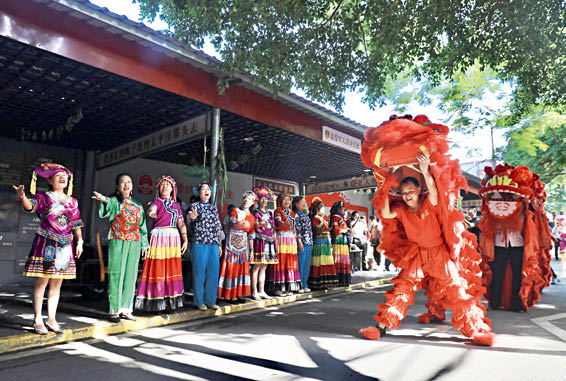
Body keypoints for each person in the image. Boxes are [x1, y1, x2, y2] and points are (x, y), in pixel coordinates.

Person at [360, 154, 493, 345]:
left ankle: (475, 330)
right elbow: (387, 213)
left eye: (410, 191)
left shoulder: (429, 203)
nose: (407, 195)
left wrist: (424, 170)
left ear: (418, 190)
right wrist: (385, 185)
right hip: (417, 254)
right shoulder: (402, 209)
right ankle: (381, 327)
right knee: (402, 289)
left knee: (456, 289)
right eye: (403, 192)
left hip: (439, 254)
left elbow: (433, 191)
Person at [14, 163, 83, 334]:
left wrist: (79, 240)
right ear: (50, 180)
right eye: (58, 176)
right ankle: (38, 319)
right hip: (47, 242)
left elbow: (76, 224)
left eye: (65, 176)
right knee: (42, 282)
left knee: (57, 284)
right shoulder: (43, 197)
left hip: (66, 244)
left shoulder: (72, 201)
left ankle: (51, 319)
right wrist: (22, 196)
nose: (62, 178)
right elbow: (30, 206)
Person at [93, 173, 149, 322]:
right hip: (118, 240)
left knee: (131, 276)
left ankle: (126, 309)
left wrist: (144, 244)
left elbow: (142, 225)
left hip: (135, 242)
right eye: (123, 182)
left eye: (129, 182)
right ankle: (114, 310)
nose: (126, 185)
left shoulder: (137, 205)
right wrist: (103, 199)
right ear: (118, 186)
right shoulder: (116, 201)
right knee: (117, 274)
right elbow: (110, 204)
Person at [135, 176, 187, 312]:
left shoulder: (176, 205)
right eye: (162, 185)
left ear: (173, 189)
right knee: (158, 268)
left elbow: (181, 223)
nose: (165, 187)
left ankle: (170, 302)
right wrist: (151, 213)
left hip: (173, 238)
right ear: (158, 188)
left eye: (168, 185)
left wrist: (185, 239)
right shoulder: (156, 202)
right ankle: (157, 302)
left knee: (171, 269)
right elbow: (151, 210)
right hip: (159, 237)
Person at [187, 181, 223, 311]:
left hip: (213, 244)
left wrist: (219, 244)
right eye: (203, 189)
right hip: (200, 243)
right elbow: (191, 217)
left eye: (208, 189)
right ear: (198, 192)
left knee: (213, 273)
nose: (206, 191)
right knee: (199, 273)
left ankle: (210, 300)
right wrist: (192, 216)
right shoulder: (194, 206)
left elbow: (218, 227)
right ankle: (199, 301)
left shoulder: (214, 207)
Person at [218, 191, 256, 301]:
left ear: (253, 202)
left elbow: (251, 235)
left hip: (244, 246)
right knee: (231, 268)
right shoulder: (236, 210)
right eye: (245, 198)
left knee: (242, 269)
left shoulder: (252, 217)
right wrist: (241, 221)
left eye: (249, 199)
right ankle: (229, 294)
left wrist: (252, 250)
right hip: (231, 244)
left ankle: (239, 294)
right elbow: (233, 222)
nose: (246, 200)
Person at [266, 192, 301, 296]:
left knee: (290, 262)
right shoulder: (277, 211)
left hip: (290, 239)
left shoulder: (292, 213)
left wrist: (296, 238)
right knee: (281, 262)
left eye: (289, 199)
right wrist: (284, 223)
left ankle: (288, 286)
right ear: (280, 201)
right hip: (281, 238)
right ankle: (277, 288)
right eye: (284, 199)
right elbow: (278, 221)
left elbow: (294, 227)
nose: (287, 201)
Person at [250, 186, 278, 300]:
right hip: (259, 241)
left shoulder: (270, 213)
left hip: (269, 241)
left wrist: (274, 237)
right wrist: (261, 224)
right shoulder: (255, 212)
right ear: (258, 200)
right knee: (256, 267)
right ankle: (254, 291)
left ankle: (262, 290)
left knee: (264, 268)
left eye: (265, 199)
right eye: (261, 198)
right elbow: (255, 225)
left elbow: (273, 227)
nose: (264, 201)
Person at [308, 199, 339, 289]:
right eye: (322, 208)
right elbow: (316, 230)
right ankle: (319, 282)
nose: (324, 210)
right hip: (319, 241)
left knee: (326, 261)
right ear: (318, 209)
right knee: (320, 261)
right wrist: (326, 229)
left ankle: (326, 282)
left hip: (325, 241)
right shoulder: (315, 218)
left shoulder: (322, 219)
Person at [293, 196, 313, 293]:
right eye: (302, 202)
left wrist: (311, 242)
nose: (304, 204)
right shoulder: (296, 215)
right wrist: (299, 241)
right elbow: (297, 229)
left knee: (306, 264)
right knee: (300, 263)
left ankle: (305, 284)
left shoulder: (305, 214)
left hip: (309, 241)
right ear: (296, 204)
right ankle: (299, 285)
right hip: (301, 242)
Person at [330, 201, 351, 286]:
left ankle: (343, 280)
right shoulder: (335, 217)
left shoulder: (341, 218)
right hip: (339, 240)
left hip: (343, 240)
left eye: (342, 208)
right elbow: (336, 229)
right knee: (338, 259)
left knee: (343, 259)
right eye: (341, 208)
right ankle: (339, 279)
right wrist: (345, 230)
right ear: (337, 209)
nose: (342, 209)